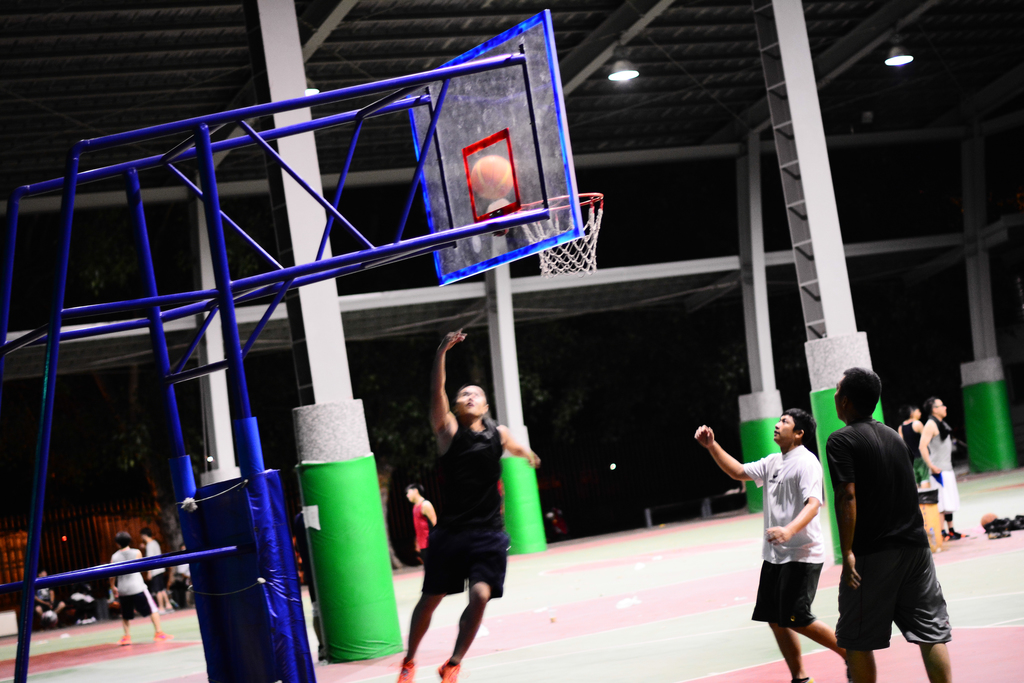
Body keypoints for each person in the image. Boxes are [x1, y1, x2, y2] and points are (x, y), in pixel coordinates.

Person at [397, 330, 540, 683]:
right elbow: (437, 392)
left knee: (480, 595)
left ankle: (453, 663)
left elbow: (514, 447)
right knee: (431, 598)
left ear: (485, 406)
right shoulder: (447, 431)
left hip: (488, 533)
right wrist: (441, 352)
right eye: (464, 394)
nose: (470, 396)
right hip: (450, 533)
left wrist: (528, 454)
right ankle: (409, 661)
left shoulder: (498, 433)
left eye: (476, 394)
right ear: (456, 406)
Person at [695, 410, 847, 683]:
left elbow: (814, 504)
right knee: (775, 618)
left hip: (802, 554)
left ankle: (852, 654)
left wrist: (789, 530)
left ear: (799, 433)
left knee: (797, 618)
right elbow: (738, 471)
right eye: (778, 420)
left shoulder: (807, 463)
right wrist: (712, 446)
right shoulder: (773, 461)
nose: (777, 425)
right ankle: (800, 678)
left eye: (785, 422)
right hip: (775, 556)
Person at [828, 368, 952, 683]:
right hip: (917, 548)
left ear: (845, 400)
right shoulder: (895, 438)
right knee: (931, 632)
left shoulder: (841, 440)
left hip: (874, 551)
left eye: (838, 390)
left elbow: (847, 495)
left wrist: (847, 551)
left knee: (856, 638)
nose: (834, 395)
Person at [110, 531, 173, 645]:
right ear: (129, 541)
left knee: (125, 614)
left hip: (123, 589)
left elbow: (111, 575)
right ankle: (159, 633)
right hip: (137, 587)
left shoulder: (114, 556)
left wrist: (113, 587)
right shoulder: (136, 552)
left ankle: (127, 636)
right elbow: (141, 567)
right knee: (153, 610)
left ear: (117, 543)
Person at [919, 397, 961, 540]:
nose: (945, 407)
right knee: (942, 503)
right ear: (934, 409)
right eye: (942, 405)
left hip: (947, 468)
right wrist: (930, 465)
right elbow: (922, 446)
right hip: (938, 471)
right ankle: (941, 532)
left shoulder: (941, 423)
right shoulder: (930, 424)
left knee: (949, 501)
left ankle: (951, 530)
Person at [293, 511, 325, 661]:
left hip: (310, 573)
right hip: (322, 574)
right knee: (320, 609)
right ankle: (324, 646)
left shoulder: (299, 518)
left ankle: (322, 647)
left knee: (316, 610)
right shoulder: (315, 515)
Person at [140, 528, 174, 613]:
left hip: (155, 570)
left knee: (157, 590)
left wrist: (149, 572)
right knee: (162, 589)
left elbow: (150, 560)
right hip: (160, 569)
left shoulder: (149, 545)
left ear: (144, 535)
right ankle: (168, 605)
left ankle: (161, 608)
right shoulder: (155, 542)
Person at [405, 483, 437, 565]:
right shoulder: (415, 507)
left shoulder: (426, 504)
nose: (407, 495)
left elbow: (435, 524)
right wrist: (417, 543)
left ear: (415, 491)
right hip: (423, 546)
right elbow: (418, 527)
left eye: (408, 492)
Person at [168, 544, 191, 610]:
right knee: (177, 589)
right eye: (182, 549)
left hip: (187, 578)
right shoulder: (180, 558)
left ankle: (184, 604)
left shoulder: (190, 557)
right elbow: (180, 571)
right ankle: (179, 605)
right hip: (181, 579)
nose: (183, 550)